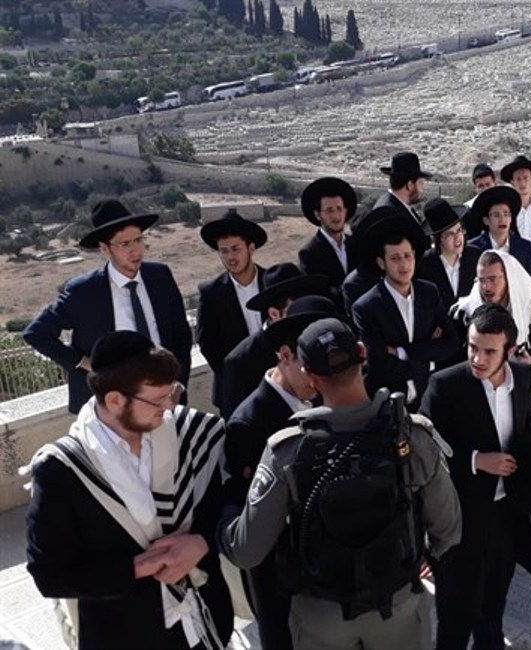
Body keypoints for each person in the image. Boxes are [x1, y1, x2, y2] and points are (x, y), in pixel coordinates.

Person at [219, 318, 461, 650]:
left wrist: (227, 512)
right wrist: (418, 558)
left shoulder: (286, 450)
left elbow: (247, 551)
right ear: (362, 353)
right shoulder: (412, 434)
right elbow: (449, 530)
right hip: (398, 607)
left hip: (321, 618)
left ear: (309, 376)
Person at [26, 331, 233, 649]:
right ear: (114, 400)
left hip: (205, 624)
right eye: (157, 399)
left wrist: (202, 541)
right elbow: (49, 575)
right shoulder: (61, 470)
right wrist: (135, 568)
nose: (168, 406)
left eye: (171, 394)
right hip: (125, 635)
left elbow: (224, 503)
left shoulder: (190, 433)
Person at [420, 305, 531, 650]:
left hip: (506, 514)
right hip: (460, 519)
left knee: (493, 606)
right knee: (455, 614)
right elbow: (426, 451)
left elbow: (529, 425)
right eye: (472, 347)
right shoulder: (445, 385)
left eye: (489, 351)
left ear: (510, 350)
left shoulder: (522, 377)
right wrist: (477, 460)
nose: (478, 358)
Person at [224, 296, 340, 650]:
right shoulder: (249, 423)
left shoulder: (320, 397)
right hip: (282, 577)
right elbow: (256, 521)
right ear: (285, 355)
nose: (319, 377)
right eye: (310, 366)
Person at [23, 199, 192, 414]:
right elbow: (36, 334)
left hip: (163, 400)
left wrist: (179, 384)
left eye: (138, 240)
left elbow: (181, 335)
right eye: (125, 244)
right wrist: (86, 363)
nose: (135, 250)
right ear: (105, 248)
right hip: (110, 407)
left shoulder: (160, 276)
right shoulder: (84, 291)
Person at [352, 217, 457, 410]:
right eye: (395, 258)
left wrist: (402, 352)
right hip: (388, 403)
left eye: (407, 256)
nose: (404, 264)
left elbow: (451, 343)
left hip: (428, 396)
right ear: (381, 263)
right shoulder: (366, 307)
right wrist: (428, 358)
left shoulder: (429, 292)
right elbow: (379, 367)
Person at [221, 263, 327, 416]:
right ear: (274, 314)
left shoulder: (318, 340)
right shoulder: (241, 362)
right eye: (296, 311)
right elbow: (239, 420)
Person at [196, 208, 268, 415]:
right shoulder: (211, 292)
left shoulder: (271, 282)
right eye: (224, 251)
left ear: (251, 249)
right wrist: (234, 374)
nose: (230, 257)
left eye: (236, 249)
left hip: (277, 381)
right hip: (235, 391)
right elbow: (207, 343)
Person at [452, 250, 531, 366]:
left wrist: (527, 362)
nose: (486, 287)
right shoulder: (463, 313)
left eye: (493, 279)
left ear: (508, 278)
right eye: (482, 280)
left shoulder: (528, 304)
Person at [298, 177, 359, 312]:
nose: (336, 216)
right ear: (318, 215)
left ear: (345, 211)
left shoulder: (356, 245)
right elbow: (319, 295)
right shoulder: (310, 253)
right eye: (330, 210)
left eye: (339, 209)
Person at [416, 197, 480, 323]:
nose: (457, 238)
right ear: (437, 239)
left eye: (459, 230)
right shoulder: (424, 265)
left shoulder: (475, 256)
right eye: (449, 234)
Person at [467, 185, 531, 288]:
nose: (502, 220)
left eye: (506, 214)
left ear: (511, 218)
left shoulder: (524, 247)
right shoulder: (473, 249)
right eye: (496, 215)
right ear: (486, 220)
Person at [500, 154, 531, 267]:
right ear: (512, 181)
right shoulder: (507, 212)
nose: (522, 183)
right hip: (512, 265)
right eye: (518, 179)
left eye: (526, 178)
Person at [373, 151, 432, 225]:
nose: (422, 189)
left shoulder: (391, 205)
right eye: (420, 183)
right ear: (410, 185)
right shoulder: (393, 216)